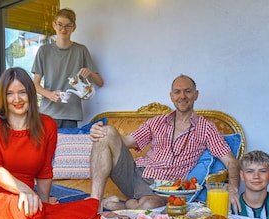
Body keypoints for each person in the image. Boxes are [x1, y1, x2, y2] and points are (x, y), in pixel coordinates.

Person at [0, 67, 100, 219]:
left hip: (24, 195)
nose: (17, 99)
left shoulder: (47, 125)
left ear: (31, 94)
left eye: (22, 92)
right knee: (8, 209)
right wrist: (25, 190)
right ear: (3, 96)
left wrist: (44, 202)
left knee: (36, 210)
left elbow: (45, 170)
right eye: (10, 94)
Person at [89, 74, 240, 211]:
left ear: (196, 95)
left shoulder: (206, 128)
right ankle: (94, 204)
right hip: (135, 175)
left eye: (187, 91)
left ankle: (120, 205)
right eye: (177, 92)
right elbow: (128, 141)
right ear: (171, 96)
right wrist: (100, 131)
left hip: (166, 187)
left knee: (148, 206)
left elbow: (231, 161)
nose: (182, 96)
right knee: (107, 132)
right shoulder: (157, 121)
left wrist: (233, 188)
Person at [31, 8, 104, 128]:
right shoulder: (44, 51)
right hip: (47, 113)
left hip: (71, 115)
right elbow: (35, 84)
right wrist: (49, 94)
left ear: (73, 27)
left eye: (68, 26)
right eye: (60, 24)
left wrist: (89, 72)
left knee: (68, 147)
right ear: (54, 25)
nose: (63, 29)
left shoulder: (81, 50)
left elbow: (100, 82)